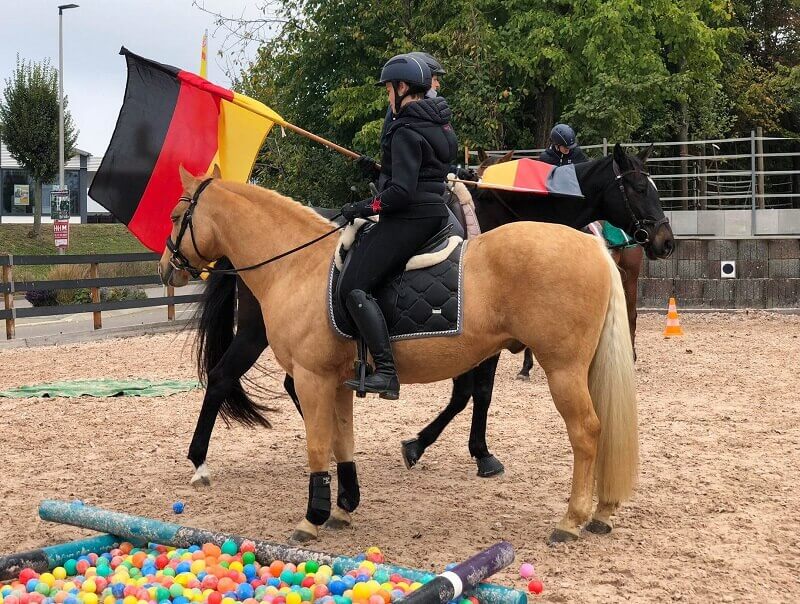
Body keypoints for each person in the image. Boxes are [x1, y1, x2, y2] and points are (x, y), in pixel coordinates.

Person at [339, 54, 458, 399]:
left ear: (402, 88)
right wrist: (378, 172)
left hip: (411, 217)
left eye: (389, 89)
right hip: (436, 210)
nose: (387, 96)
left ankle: (387, 372)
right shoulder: (438, 123)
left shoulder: (405, 129)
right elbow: (424, 174)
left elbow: (401, 194)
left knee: (353, 287)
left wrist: (359, 207)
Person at [357, 51, 447, 178]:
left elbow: (432, 161)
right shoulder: (398, 113)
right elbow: (398, 163)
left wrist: (456, 173)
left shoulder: (431, 113)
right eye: (434, 79)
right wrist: (378, 173)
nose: (437, 85)